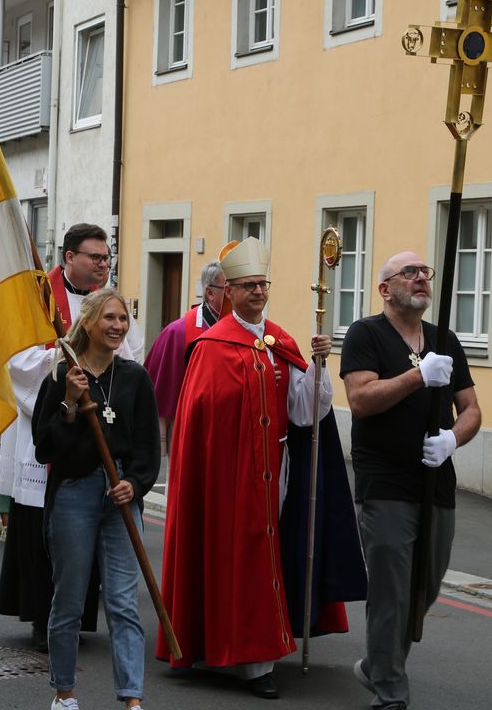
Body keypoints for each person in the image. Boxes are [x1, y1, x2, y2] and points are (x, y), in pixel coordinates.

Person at [156, 237, 337, 699]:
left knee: (263, 560)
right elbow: (200, 422)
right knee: (222, 556)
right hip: (224, 477)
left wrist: (318, 366)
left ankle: (257, 654)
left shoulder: (282, 341)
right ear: (227, 292)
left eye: (263, 284)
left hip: (274, 471)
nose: (258, 293)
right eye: (248, 286)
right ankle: (227, 652)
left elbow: (305, 412)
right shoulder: (211, 347)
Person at [340, 251, 482, 710]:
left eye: (426, 271)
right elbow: (361, 398)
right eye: (411, 272)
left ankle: (377, 665)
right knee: (391, 591)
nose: (422, 278)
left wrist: (452, 440)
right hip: (385, 480)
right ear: (386, 288)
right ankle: (390, 693)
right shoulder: (366, 334)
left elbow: (473, 410)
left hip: (436, 479)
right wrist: (418, 375)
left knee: (427, 585)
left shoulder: (445, 339)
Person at [0, 223, 143, 650]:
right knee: (48, 525)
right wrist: (61, 363)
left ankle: (77, 616)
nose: (103, 264)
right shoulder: (39, 298)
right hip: (52, 428)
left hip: (98, 434)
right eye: (95, 256)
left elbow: (132, 356)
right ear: (69, 257)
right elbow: (17, 361)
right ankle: (45, 618)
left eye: (106, 257)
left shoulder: (112, 305)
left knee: (89, 523)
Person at [34, 288, 160, 710]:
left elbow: (147, 446)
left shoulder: (134, 377)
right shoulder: (62, 374)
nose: (118, 327)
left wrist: (137, 485)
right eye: (109, 318)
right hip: (74, 493)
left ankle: (132, 699)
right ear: (87, 322)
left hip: (121, 495)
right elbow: (45, 447)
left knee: (124, 602)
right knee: (69, 598)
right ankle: (65, 693)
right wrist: (69, 403)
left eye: (122, 319)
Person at [143, 260, 224, 453]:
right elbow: (162, 386)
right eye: (229, 288)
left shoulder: (245, 328)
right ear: (209, 293)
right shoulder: (178, 333)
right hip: (188, 426)